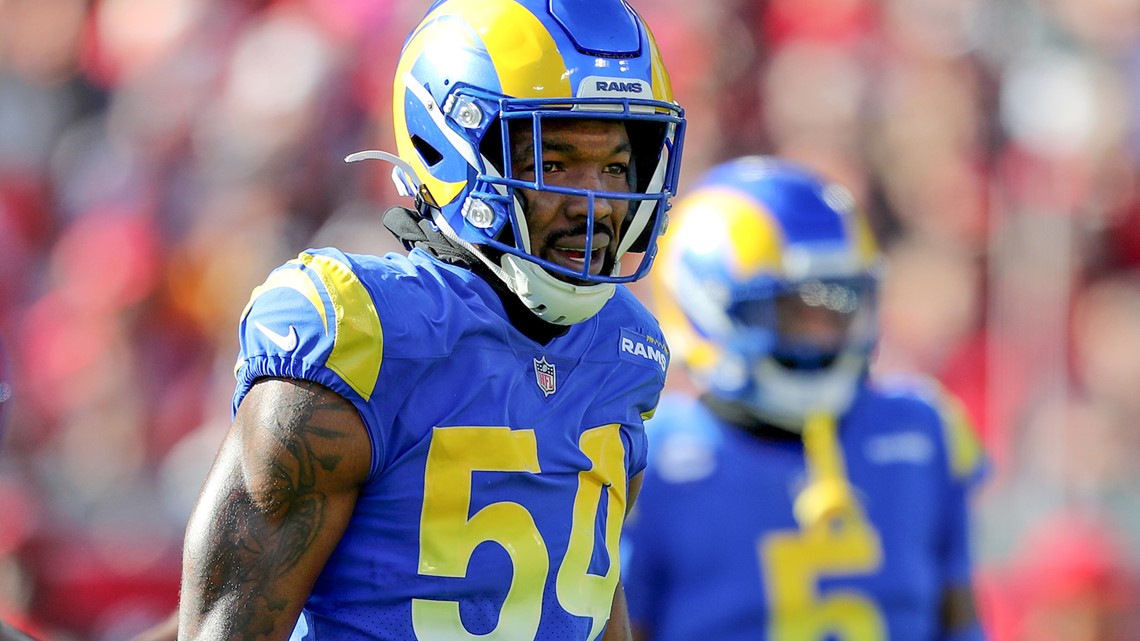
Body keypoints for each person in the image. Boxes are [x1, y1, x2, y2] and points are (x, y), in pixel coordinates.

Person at [177, 0, 686, 640]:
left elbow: (584, 603)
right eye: (552, 163)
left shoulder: (625, 349)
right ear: (450, 148)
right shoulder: (362, 334)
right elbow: (229, 625)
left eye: (615, 166)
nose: (595, 203)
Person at [621, 156, 987, 641]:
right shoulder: (651, 460)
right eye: (792, 310)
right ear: (707, 305)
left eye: (838, 304)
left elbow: (959, 621)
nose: (822, 334)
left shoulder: (925, 429)